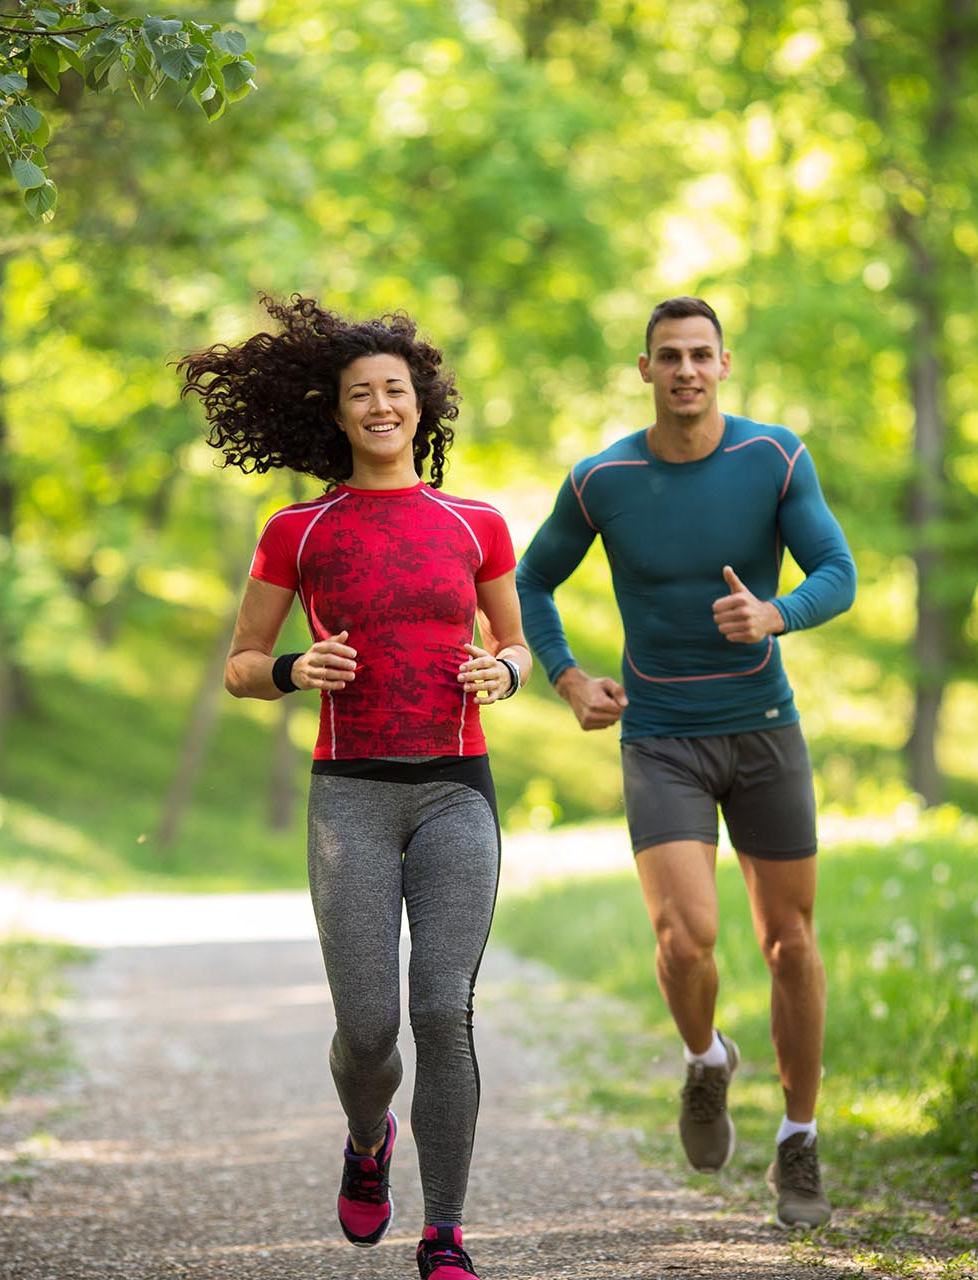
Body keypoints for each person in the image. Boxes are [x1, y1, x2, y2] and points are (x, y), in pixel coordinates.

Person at [180, 295, 532, 1280]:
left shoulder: (477, 522)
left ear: (420, 403)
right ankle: (367, 1134)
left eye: (395, 388)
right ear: (335, 415)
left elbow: (517, 644)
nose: (380, 404)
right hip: (352, 799)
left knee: (443, 1009)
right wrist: (297, 668)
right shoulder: (299, 528)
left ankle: (448, 1230)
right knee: (371, 1028)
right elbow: (242, 663)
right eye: (359, 393)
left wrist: (503, 671)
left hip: (458, 787)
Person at [515, 296, 855, 1229]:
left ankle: (798, 1138)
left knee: (790, 944)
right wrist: (567, 676)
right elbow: (533, 579)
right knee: (685, 938)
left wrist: (776, 613)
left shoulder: (774, 456)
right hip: (659, 735)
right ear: (645, 369)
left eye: (701, 355)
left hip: (762, 730)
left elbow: (839, 570)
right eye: (669, 356)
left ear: (725, 364)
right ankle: (707, 1061)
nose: (686, 371)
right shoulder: (602, 479)